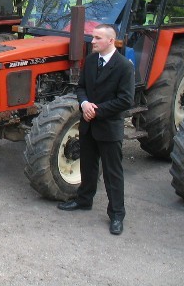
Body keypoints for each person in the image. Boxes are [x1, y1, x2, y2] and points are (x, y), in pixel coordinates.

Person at [58, 24, 135, 235]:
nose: (92, 41)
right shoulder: (91, 61)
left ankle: (117, 214)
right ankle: (84, 200)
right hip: (88, 123)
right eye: (93, 37)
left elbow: (126, 100)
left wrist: (96, 110)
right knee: (88, 166)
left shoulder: (124, 66)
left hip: (108, 127)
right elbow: (81, 87)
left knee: (112, 173)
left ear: (111, 41)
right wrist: (84, 105)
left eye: (97, 38)